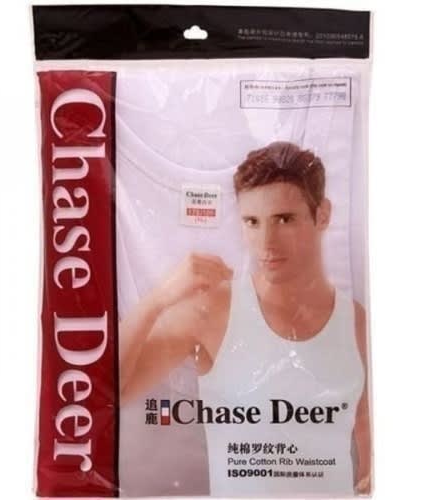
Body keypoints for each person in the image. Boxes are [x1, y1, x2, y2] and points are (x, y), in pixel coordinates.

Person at [119, 141, 371, 496]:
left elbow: (366, 428)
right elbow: (108, 391)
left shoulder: (356, 323)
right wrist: (158, 299)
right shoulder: (212, 311)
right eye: (252, 222)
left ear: (323, 215)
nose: (266, 242)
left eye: (284, 219)